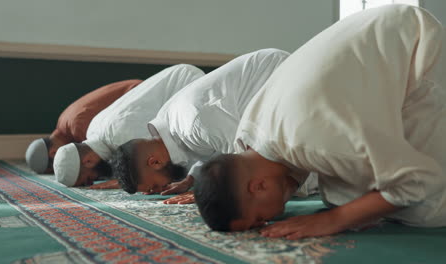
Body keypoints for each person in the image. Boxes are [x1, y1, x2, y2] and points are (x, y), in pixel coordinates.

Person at [194, 5, 446, 239]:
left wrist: (333, 220)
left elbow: (419, 179)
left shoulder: (315, 139)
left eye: (259, 218)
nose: (266, 222)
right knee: (343, 196)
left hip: (417, 48)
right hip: (379, 39)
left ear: (259, 186)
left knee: (425, 211)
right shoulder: (251, 136)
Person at [111, 49, 291, 203]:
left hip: (279, 76)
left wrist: (212, 193)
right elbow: (212, 146)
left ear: (154, 162)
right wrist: (192, 178)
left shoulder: (192, 123)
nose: (161, 188)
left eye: (155, 186)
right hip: (269, 84)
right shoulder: (172, 125)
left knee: (272, 181)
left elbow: (243, 158)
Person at [52, 64, 205, 187]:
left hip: (188, 85)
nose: (94, 180)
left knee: (190, 160)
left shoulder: (121, 136)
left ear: (88, 161)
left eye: (87, 179)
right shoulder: (94, 130)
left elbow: (163, 156)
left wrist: (131, 179)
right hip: (180, 75)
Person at [25, 79, 142, 174]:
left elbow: (111, 155)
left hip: (138, 94)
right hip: (136, 88)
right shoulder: (63, 121)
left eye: (55, 168)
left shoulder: (79, 128)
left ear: (54, 153)